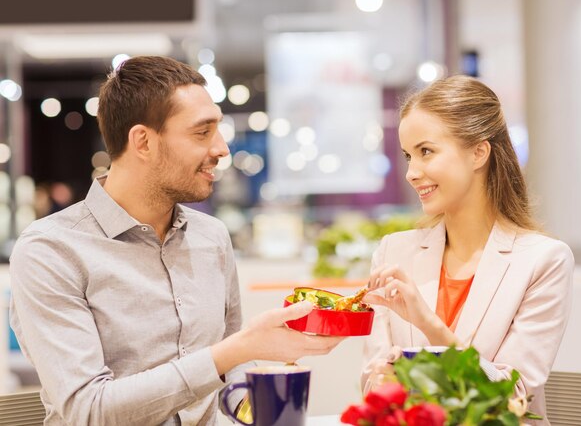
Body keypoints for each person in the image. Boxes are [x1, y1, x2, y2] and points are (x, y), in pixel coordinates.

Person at [9, 56, 343, 426]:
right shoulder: (51, 251)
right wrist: (236, 349)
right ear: (143, 142)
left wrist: (256, 410)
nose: (221, 149)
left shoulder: (211, 237)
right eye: (202, 132)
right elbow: (89, 411)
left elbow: (232, 371)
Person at [361, 75, 574, 423]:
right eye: (407, 156)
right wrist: (380, 380)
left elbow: (511, 397)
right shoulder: (393, 253)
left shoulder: (543, 260)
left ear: (479, 152)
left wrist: (429, 325)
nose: (411, 173)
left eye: (426, 151)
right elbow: (373, 383)